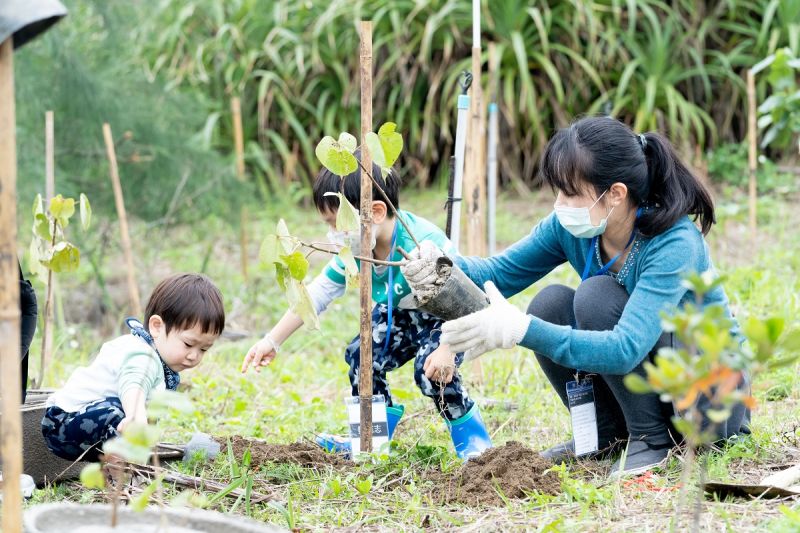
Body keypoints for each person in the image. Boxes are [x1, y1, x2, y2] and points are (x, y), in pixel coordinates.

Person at [402, 116, 750, 476]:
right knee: (550, 303)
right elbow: (498, 273)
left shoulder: (673, 243)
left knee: (594, 296)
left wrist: (520, 329)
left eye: (570, 192)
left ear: (615, 193)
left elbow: (625, 348)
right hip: (655, 376)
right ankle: (603, 436)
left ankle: (651, 439)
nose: (559, 203)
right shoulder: (573, 227)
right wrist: (440, 265)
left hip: (710, 402)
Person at [241, 156, 492, 459]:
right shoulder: (360, 249)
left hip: (447, 317)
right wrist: (272, 341)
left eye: (336, 224)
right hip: (399, 311)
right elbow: (317, 294)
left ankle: (475, 445)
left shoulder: (424, 246)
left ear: (375, 212)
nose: (332, 234)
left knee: (431, 372)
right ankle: (371, 441)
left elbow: (467, 304)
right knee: (362, 356)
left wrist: (448, 349)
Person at [42, 273, 225, 461]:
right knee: (124, 415)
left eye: (203, 349)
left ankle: (122, 466)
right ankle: (123, 471)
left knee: (138, 418)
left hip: (87, 422)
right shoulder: (142, 355)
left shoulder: (158, 360)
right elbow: (134, 384)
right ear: (156, 327)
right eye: (188, 344)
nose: (194, 356)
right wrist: (136, 416)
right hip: (62, 423)